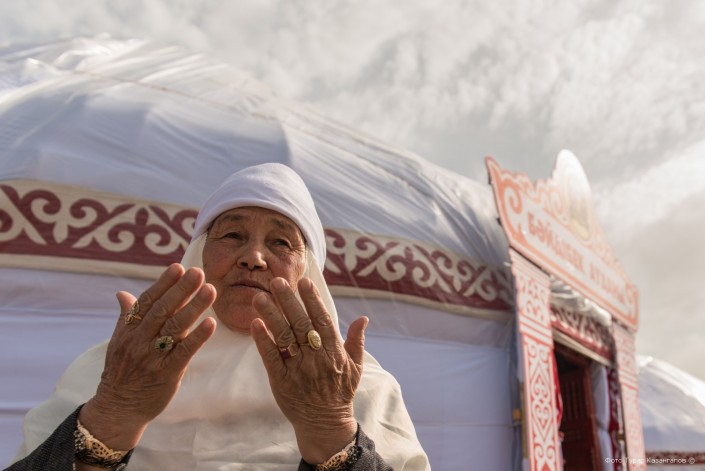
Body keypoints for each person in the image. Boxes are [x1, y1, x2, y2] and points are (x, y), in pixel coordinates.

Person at [7, 163, 429, 470]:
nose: (254, 257)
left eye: (281, 243)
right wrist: (112, 416)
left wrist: (332, 431)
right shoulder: (116, 369)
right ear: (199, 256)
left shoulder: (358, 388)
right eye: (232, 235)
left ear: (309, 274)